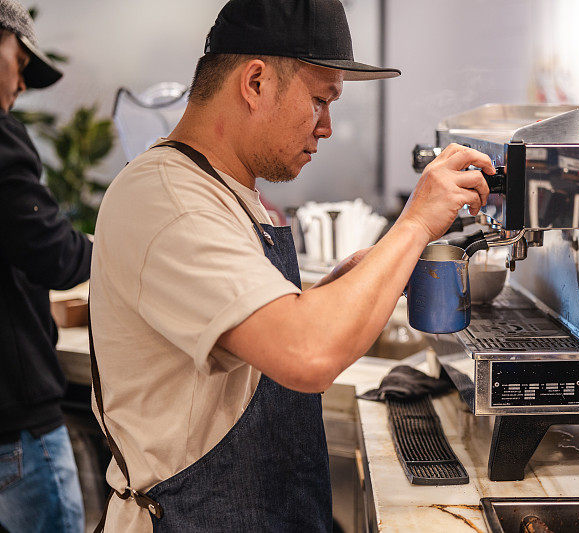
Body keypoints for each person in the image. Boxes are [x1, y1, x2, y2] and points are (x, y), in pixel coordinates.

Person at [89, 0, 492, 531]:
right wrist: (414, 224)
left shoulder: (227, 190)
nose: (326, 126)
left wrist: (335, 291)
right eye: (319, 100)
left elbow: (249, 350)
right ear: (254, 82)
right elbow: (305, 353)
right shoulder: (167, 196)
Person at [0, 1, 90, 532]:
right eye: (20, 63)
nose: (22, 87)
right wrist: (108, 249)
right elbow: (52, 253)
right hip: (16, 430)